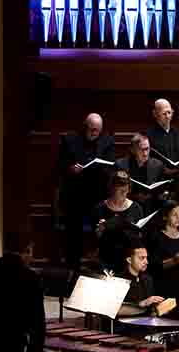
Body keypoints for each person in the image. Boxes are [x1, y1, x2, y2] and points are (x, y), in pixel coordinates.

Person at [57, 113, 116, 268]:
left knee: (102, 230)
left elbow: (111, 166)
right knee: (73, 234)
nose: (94, 133)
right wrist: (71, 168)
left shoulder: (107, 141)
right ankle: (73, 266)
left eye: (98, 130)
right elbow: (60, 165)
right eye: (91, 130)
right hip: (75, 194)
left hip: (97, 193)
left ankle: (102, 265)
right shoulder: (70, 140)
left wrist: (100, 167)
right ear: (85, 126)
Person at [93, 169, 144, 272]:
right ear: (112, 188)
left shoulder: (136, 208)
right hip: (107, 258)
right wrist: (99, 231)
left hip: (129, 260)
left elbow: (140, 237)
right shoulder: (100, 208)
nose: (124, 192)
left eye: (126, 189)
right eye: (120, 188)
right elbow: (95, 239)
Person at [146, 200, 179, 305]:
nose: (178, 218)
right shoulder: (156, 237)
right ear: (165, 216)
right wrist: (174, 261)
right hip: (163, 286)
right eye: (174, 214)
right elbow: (153, 266)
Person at [117, 133, 168, 209]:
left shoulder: (158, 165)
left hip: (151, 207)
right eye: (141, 150)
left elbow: (162, 189)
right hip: (128, 206)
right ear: (133, 150)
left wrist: (162, 194)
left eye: (147, 149)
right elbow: (116, 191)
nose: (145, 154)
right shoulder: (121, 165)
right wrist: (135, 196)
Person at [116, 244, 166, 316]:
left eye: (146, 258)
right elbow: (115, 310)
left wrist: (158, 308)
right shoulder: (118, 281)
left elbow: (150, 309)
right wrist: (141, 304)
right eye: (142, 258)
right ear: (129, 260)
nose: (146, 262)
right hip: (125, 324)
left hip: (145, 323)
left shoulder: (148, 279)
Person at [146, 98, 179, 163]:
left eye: (169, 112)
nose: (167, 116)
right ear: (155, 114)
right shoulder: (149, 135)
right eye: (164, 114)